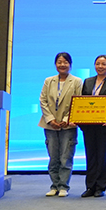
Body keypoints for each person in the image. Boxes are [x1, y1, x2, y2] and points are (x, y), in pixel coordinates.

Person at [39, 52, 82, 197]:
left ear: (70, 64)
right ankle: (54, 185)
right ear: (55, 64)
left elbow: (78, 101)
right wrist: (51, 119)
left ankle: (64, 186)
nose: (62, 64)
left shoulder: (76, 81)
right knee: (53, 157)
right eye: (59, 62)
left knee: (66, 157)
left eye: (65, 62)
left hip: (68, 125)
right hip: (50, 125)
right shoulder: (48, 81)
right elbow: (43, 101)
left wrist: (66, 119)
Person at [79, 55, 106, 198]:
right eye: (98, 64)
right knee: (90, 155)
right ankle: (90, 186)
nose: (100, 66)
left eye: (104, 64)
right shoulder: (88, 81)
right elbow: (82, 102)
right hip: (89, 125)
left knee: (103, 156)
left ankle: (100, 187)